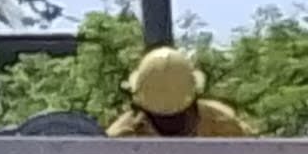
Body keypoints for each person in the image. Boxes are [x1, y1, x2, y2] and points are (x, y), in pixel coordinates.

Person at [106, 45, 252, 137]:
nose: (169, 122)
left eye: (176, 117)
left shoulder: (224, 124)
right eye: (160, 117)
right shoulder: (123, 137)